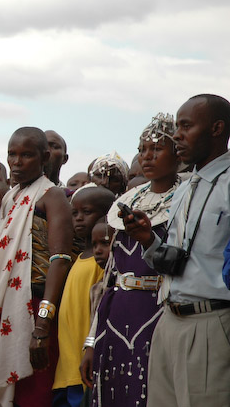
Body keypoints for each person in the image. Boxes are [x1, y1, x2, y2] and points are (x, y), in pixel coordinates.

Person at [123, 95, 230, 406]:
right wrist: (147, 240)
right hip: (169, 321)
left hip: (211, 321)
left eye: (186, 126)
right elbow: (179, 258)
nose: (177, 136)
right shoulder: (184, 187)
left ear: (217, 128)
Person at [0, 126, 73, 407]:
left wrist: (43, 324)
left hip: (32, 308)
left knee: (30, 396)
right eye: (12, 154)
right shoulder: (10, 197)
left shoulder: (52, 197)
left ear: (44, 157)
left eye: (26, 155)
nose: (17, 162)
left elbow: (60, 260)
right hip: (0, 309)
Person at [80, 113, 181, 407]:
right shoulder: (129, 200)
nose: (147, 157)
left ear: (176, 153)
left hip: (158, 313)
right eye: (142, 150)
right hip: (116, 314)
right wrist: (90, 341)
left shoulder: (184, 199)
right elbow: (110, 276)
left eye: (157, 149)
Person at [51, 186, 113, 407]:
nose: (78, 219)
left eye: (86, 212)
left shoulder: (103, 263)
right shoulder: (78, 258)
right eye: (74, 213)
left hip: (84, 367)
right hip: (66, 368)